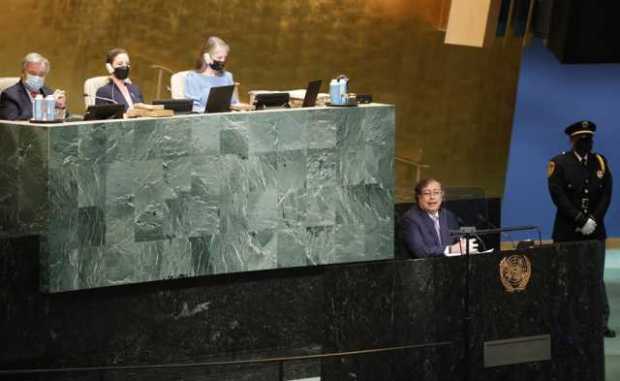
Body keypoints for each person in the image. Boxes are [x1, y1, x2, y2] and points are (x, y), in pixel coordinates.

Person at [547, 120, 614, 337]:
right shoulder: (559, 163)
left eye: (590, 138)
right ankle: (567, 322)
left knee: (594, 277)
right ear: (572, 139)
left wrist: (593, 220)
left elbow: (606, 194)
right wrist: (580, 219)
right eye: (582, 139)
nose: (587, 142)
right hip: (567, 231)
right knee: (566, 277)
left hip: (595, 231)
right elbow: (558, 196)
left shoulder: (600, 162)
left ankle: (600, 322)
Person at [399, 178, 478, 258]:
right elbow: (421, 252)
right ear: (419, 197)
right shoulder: (410, 219)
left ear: (442, 196)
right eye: (427, 193)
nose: (432, 197)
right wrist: (450, 249)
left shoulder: (448, 216)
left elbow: (457, 243)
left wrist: (465, 247)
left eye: (436, 193)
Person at [0, 52, 66, 121]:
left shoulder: (49, 93)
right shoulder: (10, 95)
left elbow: (66, 118)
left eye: (41, 74)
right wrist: (46, 107)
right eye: (32, 73)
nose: (37, 78)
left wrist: (60, 107)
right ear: (23, 73)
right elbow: (12, 124)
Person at [185, 36, 238, 112]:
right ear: (206, 57)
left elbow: (234, 103)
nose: (223, 61)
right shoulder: (193, 78)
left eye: (225, 57)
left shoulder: (228, 76)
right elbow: (192, 107)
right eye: (219, 58)